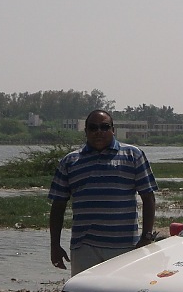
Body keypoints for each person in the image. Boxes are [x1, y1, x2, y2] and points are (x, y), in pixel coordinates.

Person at [48, 109, 158, 276]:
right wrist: (55, 246)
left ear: (113, 130)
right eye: (93, 128)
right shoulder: (70, 161)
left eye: (104, 127)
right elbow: (58, 206)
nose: (99, 132)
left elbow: (148, 197)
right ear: (86, 132)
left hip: (125, 246)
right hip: (84, 247)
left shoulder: (133, 155)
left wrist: (146, 237)